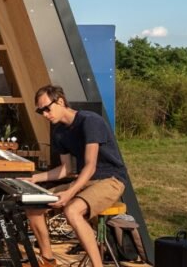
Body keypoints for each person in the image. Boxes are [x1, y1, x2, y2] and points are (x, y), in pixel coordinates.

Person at [22, 84, 129, 267]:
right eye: (41, 112)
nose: (45, 115)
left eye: (47, 109)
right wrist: (34, 179)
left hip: (110, 179)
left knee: (72, 210)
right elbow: (66, 169)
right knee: (33, 205)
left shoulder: (90, 121)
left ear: (61, 101)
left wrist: (70, 193)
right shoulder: (58, 132)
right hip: (85, 180)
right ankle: (48, 260)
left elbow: (90, 166)